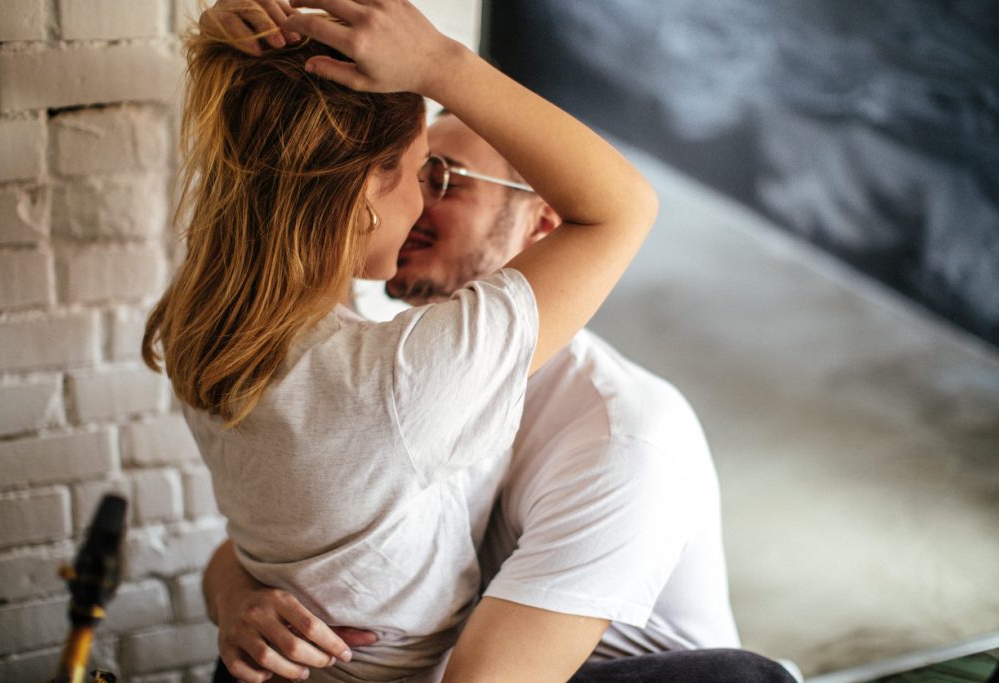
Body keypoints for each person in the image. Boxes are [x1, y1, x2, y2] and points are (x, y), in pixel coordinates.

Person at [145, 0, 661, 682]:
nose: (425, 201)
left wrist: (234, 50)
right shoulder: (396, 378)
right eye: (424, 175)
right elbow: (624, 207)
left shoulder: (204, 320)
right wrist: (438, 62)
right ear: (365, 192)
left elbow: (250, 169)